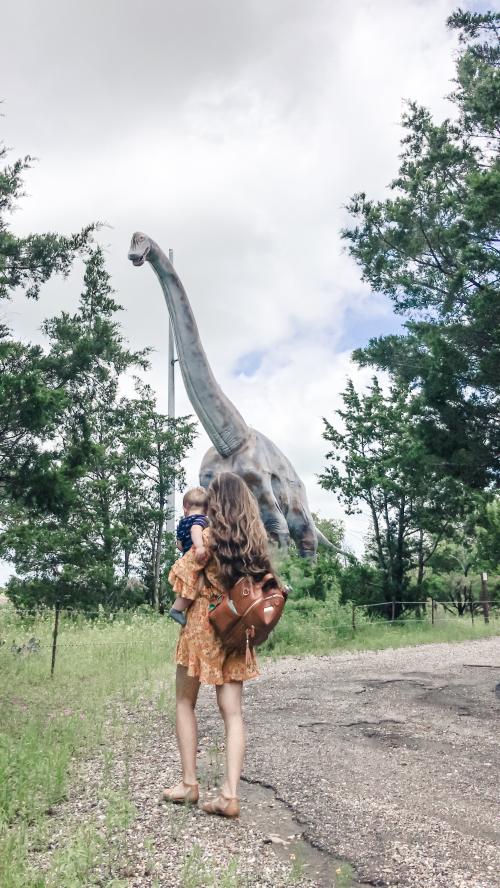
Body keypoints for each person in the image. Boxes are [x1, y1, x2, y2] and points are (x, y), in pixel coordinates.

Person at [162, 472, 275, 818]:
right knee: (233, 714)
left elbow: (180, 575)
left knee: (185, 700)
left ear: (216, 504)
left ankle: (189, 784)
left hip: (201, 626)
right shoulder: (254, 544)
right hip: (235, 629)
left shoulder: (207, 540)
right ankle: (229, 794)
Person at [168, 487, 209, 626]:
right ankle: (176, 609)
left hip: (185, 558)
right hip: (194, 560)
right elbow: (195, 530)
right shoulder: (202, 520)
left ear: (186, 507)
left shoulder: (181, 523)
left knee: (188, 588)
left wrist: (186, 548)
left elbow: (179, 545)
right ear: (206, 509)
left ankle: (177, 608)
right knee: (195, 587)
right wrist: (199, 546)